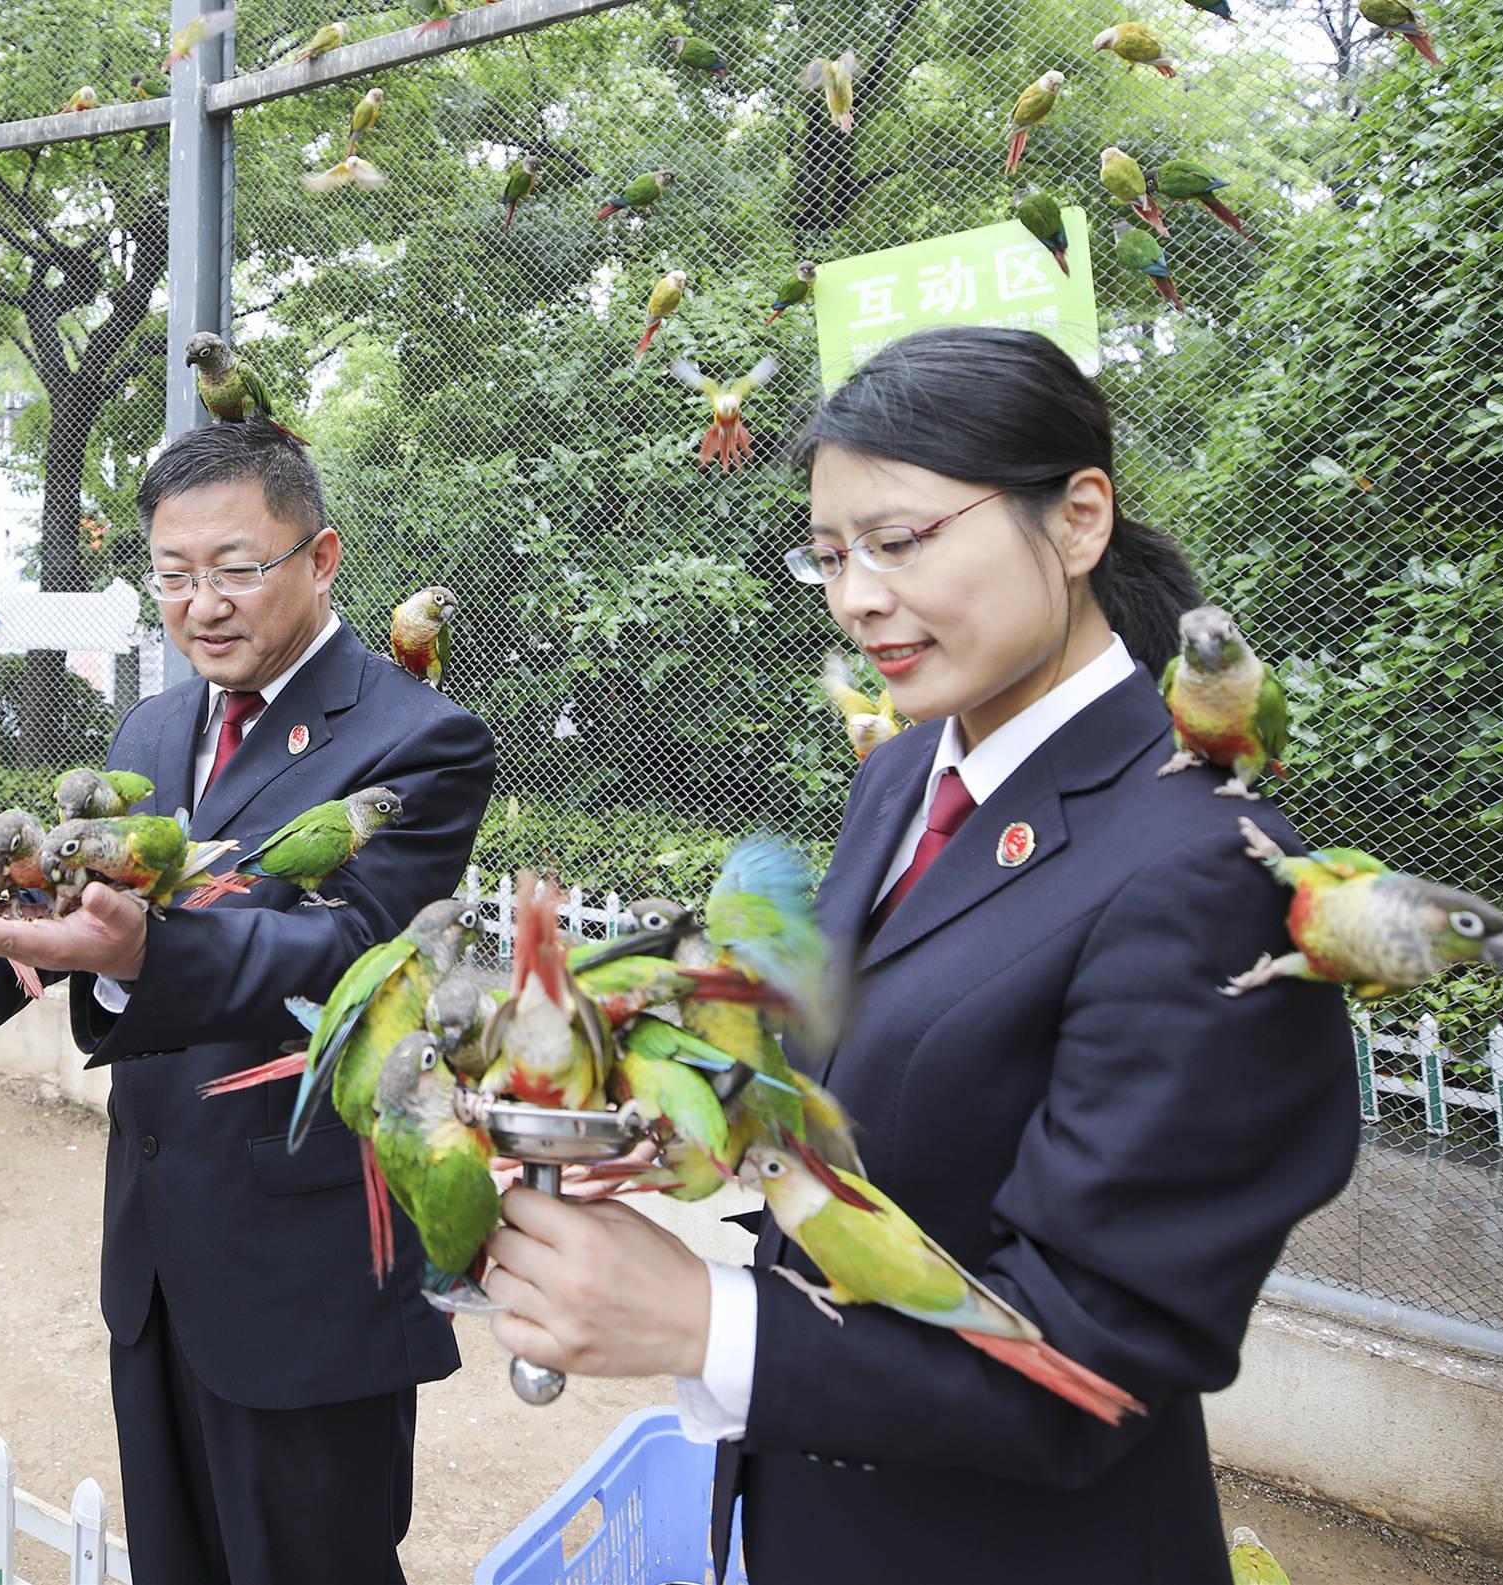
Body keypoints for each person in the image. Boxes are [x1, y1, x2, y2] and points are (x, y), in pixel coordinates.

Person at [477, 326, 1359, 1583]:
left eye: (900, 541)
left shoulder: (1204, 868)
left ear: (1078, 520)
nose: (855, 598)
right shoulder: (901, 775)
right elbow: (886, 1091)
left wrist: (704, 1320)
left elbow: (1091, 1364)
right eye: (830, 555)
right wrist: (689, 1128)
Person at [0, 420, 496, 1585]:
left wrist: (147, 949)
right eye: (174, 574)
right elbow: (79, 913)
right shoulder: (154, 723)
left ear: (323, 558)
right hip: (154, 1247)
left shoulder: (420, 739)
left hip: (307, 1264)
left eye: (237, 568)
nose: (202, 604)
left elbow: (343, 947)